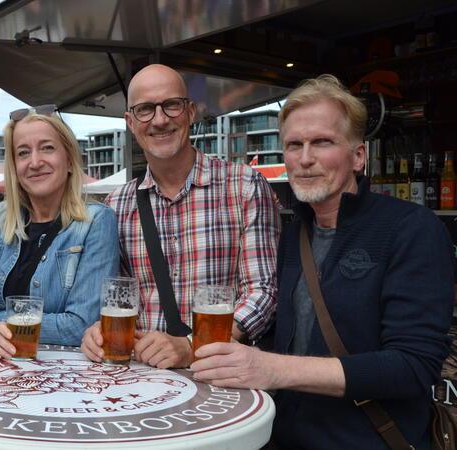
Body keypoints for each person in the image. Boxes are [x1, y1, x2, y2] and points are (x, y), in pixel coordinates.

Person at [190, 75, 454, 449]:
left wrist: (271, 368)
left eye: (322, 142)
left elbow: (413, 367)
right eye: (294, 145)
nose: (305, 158)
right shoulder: (296, 231)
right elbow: (291, 335)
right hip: (280, 436)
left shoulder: (411, 229)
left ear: (358, 156)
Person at [80, 64, 280, 369]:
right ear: (131, 122)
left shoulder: (244, 186)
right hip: (143, 380)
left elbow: (263, 293)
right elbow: (115, 297)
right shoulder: (117, 205)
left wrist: (193, 346)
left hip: (221, 379)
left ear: (190, 111)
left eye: (171, 105)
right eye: (146, 109)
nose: (160, 120)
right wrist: (96, 332)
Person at [0, 107, 119, 357]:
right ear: (15, 167)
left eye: (47, 148)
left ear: (69, 160)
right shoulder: (0, 218)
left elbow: (81, 324)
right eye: (23, 153)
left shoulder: (96, 221)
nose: (35, 162)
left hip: (64, 379)